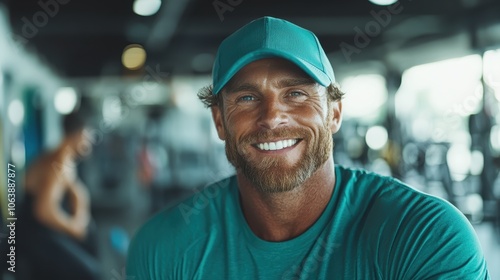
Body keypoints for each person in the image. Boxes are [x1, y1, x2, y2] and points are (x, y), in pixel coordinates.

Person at [126, 16, 490, 279]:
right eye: (248, 98)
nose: (272, 117)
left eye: (296, 93)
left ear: (334, 112)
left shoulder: (425, 236)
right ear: (220, 122)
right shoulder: (165, 247)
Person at [17, 111, 100, 280]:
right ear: (79, 134)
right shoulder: (59, 163)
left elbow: (79, 193)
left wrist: (80, 219)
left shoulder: (65, 158)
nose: (90, 141)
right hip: (34, 235)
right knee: (92, 273)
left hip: (43, 231)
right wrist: (73, 228)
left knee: (90, 233)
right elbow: (44, 211)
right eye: (88, 135)